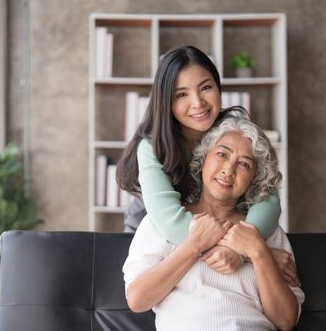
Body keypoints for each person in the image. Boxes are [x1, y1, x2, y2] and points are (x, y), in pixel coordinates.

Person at [117, 45, 296, 281]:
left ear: (218, 86)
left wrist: (241, 252)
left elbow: (268, 200)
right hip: (157, 235)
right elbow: (170, 223)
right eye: (181, 95)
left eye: (206, 88)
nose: (198, 103)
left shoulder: (234, 130)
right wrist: (255, 254)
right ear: (165, 102)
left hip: (210, 234)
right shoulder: (151, 146)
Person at [123, 113, 304, 330]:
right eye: (221, 154)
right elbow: (137, 299)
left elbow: (285, 321)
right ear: (203, 159)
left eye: (244, 164)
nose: (229, 170)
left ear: (255, 178)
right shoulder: (160, 223)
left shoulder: (267, 233)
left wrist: (259, 252)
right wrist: (193, 246)